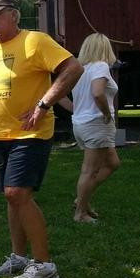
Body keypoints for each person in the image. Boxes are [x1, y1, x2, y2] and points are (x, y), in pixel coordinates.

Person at [0, 0, 83, 278]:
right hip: (1, 134)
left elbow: (73, 68)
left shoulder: (35, 40)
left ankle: (45, 266)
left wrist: (44, 104)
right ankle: (19, 258)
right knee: (11, 197)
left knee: (17, 194)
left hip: (30, 132)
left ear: (14, 14)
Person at [60, 33, 120, 224]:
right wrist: (107, 114)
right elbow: (98, 93)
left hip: (80, 124)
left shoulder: (80, 69)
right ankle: (80, 212)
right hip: (96, 124)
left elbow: (60, 96)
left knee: (112, 163)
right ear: (104, 48)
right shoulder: (100, 66)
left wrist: (78, 110)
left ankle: (82, 200)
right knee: (90, 171)